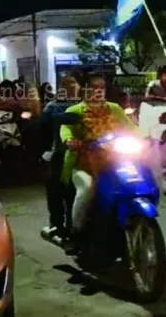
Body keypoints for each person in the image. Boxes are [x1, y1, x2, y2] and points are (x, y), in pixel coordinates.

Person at [60, 73, 140, 254]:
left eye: (102, 87)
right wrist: (70, 140)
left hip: (115, 162)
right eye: (94, 87)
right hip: (83, 164)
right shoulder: (75, 111)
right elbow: (65, 130)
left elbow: (131, 128)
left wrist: (146, 138)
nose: (98, 91)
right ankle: (76, 232)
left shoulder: (114, 108)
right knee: (87, 188)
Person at [40, 72, 82, 241]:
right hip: (63, 153)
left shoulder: (88, 106)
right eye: (68, 85)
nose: (71, 88)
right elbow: (43, 130)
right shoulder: (54, 107)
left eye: (73, 84)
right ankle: (57, 224)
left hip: (85, 154)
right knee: (58, 189)